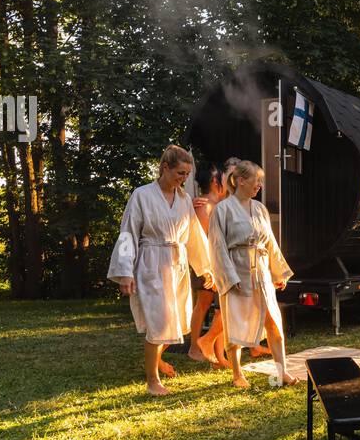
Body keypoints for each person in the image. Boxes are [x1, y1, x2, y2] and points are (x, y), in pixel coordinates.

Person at [108, 144, 214, 396]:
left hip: (176, 264)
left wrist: (206, 268)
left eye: (187, 175)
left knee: (175, 321)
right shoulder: (142, 195)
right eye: (180, 173)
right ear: (165, 168)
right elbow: (128, 233)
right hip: (151, 264)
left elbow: (194, 236)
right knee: (159, 322)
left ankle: (156, 361)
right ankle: (152, 380)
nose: (183, 179)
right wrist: (125, 271)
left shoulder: (184, 199)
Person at [208, 159, 297, 389]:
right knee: (235, 323)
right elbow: (217, 246)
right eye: (256, 180)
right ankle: (237, 374)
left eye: (261, 181)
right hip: (237, 273)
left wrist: (279, 272)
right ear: (240, 180)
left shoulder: (260, 209)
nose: (259, 185)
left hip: (261, 273)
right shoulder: (222, 209)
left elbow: (270, 243)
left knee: (274, 323)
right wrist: (229, 277)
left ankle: (282, 372)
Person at [187, 161, 231, 367]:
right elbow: (204, 240)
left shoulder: (218, 204)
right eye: (223, 178)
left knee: (221, 308)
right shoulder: (203, 205)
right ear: (215, 182)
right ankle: (194, 347)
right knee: (203, 304)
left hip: (219, 264)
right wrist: (209, 270)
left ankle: (219, 355)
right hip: (206, 264)